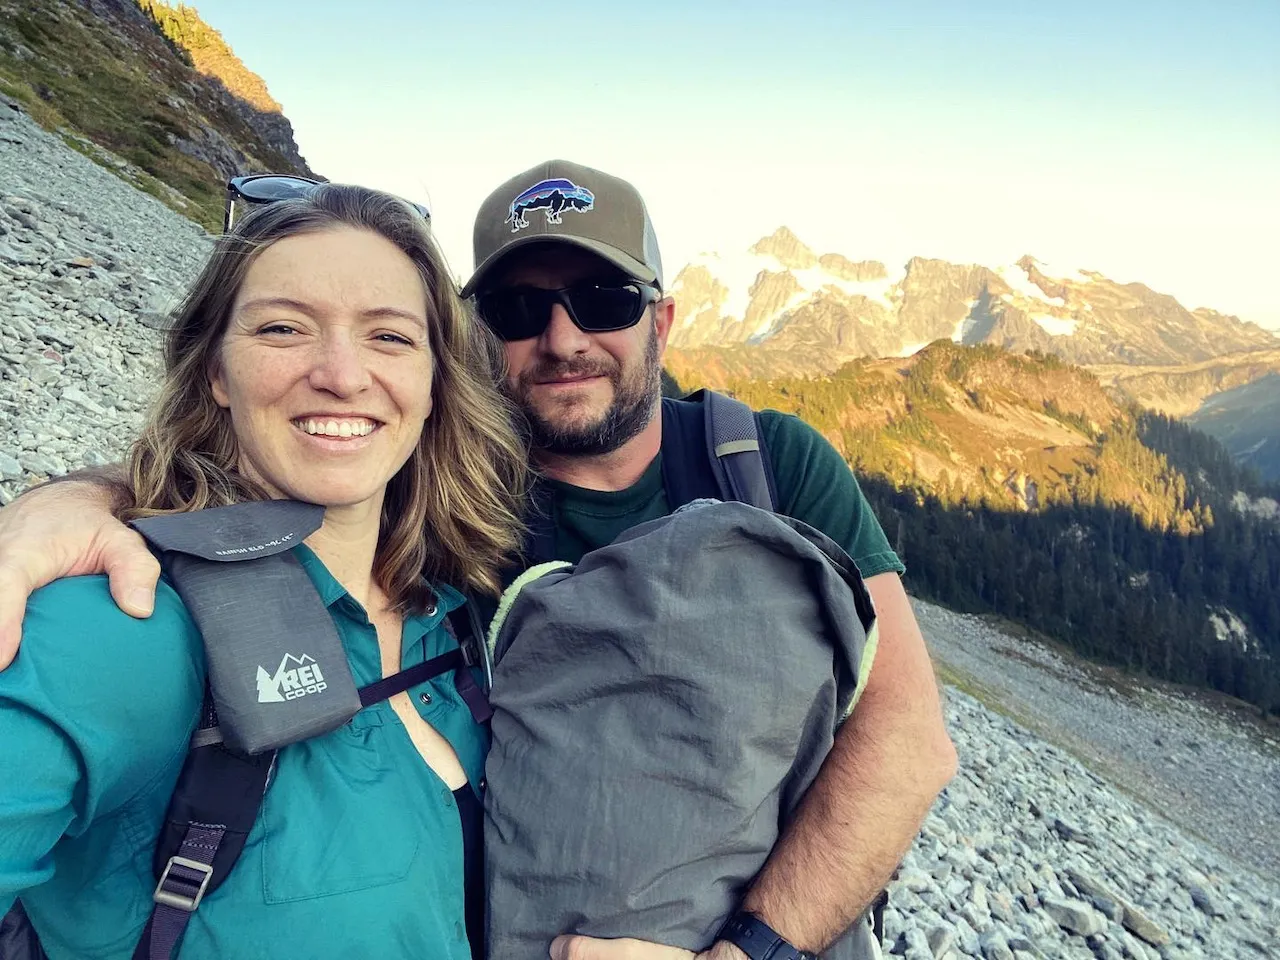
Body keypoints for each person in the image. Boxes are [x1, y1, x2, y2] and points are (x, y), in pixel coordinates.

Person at [0, 161, 957, 959]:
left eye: (604, 299)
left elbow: (906, 739)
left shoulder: (766, 463)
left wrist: (752, 953)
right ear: (473, 341)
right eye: (517, 307)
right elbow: (295, 454)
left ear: (662, 322)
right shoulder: (458, 499)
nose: (563, 339)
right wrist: (72, 503)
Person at [0, 184, 527, 959]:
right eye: (283, 328)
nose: (343, 375)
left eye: (389, 337)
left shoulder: (452, 616)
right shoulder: (126, 624)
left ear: (433, 384)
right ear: (216, 370)